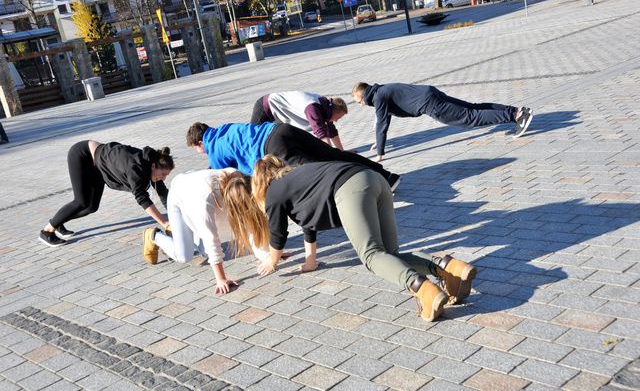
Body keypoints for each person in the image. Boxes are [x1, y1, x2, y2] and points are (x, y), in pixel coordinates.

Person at [223, 155, 477, 322]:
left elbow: (278, 235)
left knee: (371, 256)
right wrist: (311, 261)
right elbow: (308, 225)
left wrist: (272, 261)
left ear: (259, 184)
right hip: (374, 179)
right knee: (390, 255)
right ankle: (449, 268)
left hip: (351, 187)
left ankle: (424, 289)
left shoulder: (275, 192)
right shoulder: (298, 179)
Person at [141, 168, 272, 294]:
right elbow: (211, 240)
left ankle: (186, 233)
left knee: (204, 251)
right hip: (179, 195)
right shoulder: (204, 202)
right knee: (184, 256)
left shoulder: (240, 181)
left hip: (197, 186)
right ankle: (154, 235)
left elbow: (250, 223)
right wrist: (221, 279)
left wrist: (267, 255)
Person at [185, 121, 400, 190]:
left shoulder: (214, 147)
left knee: (321, 169)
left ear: (200, 142)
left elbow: (218, 176)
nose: (200, 152)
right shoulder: (225, 129)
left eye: (197, 148)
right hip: (281, 129)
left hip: (273, 146)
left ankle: (363, 186)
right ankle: (386, 176)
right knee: (332, 154)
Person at [351, 82, 533, 162]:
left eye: (359, 101)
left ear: (363, 95)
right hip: (430, 93)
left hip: (430, 104)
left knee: (470, 117)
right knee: (472, 107)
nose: (360, 105)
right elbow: (383, 119)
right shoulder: (380, 91)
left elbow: (382, 122)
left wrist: (380, 154)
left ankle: (516, 117)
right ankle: (516, 111)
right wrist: (378, 140)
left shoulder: (378, 98)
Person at [39, 141, 174, 247]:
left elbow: (163, 193)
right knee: (81, 202)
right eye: (163, 174)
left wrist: (175, 216)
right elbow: (142, 199)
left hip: (99, 167)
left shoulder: (153, 163)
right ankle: (47, 231)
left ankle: (58, 221)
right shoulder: (136, 168)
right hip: (83, 155)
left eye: (166, 175)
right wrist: (164, 222)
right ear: (154, 166)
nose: (163, 178)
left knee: (92, 207)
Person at [250, 91, 349, 150]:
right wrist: (335, 156)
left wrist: (342, 152)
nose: (336, 121)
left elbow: (331, 131)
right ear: (334, 111)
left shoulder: (326, 108)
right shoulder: (313, 108)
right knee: (253, 139)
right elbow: (321, 134)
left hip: (280, 114)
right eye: (338, 117)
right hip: (266, 107)